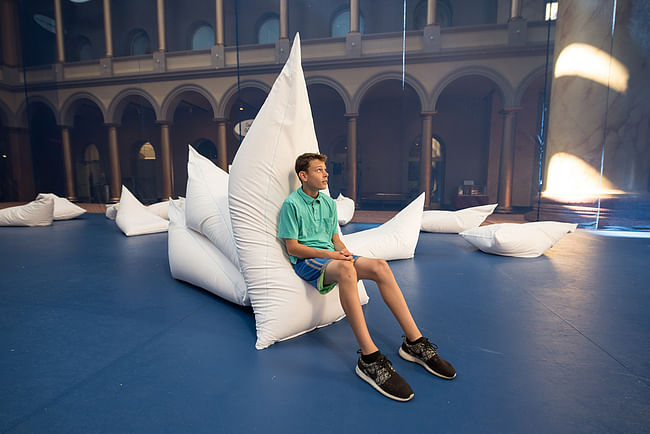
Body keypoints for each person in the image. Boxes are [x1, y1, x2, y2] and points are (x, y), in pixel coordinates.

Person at [278, 152, 456, 402]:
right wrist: (332, 256)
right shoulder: (291, 205)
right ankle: (369, 358)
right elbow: (293, 248)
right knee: (347, 270)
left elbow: (335, 238)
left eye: (325, 169)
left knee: (381, 266)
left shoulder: (328, 203)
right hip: (308, 261)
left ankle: (414, 343)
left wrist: (342, 250)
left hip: (331, 256)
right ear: (303, 176)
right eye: (319, 170)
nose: (326, 173)